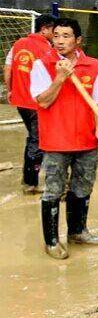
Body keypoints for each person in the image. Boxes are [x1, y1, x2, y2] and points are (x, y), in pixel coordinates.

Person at [30, 18, 98, 260]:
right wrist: (61, 78)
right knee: (53, 190)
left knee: (83, 186)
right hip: (56, 140)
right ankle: (52, 241)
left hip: (86, 139)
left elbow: (97, 101)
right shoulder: (43, 65)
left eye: (66, 36)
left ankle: (78, 231)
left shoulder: (91, 65)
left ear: (78, 40)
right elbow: (42, 100)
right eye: (56, 36)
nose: (60, 41)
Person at [3, 14, 56, 194]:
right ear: (44, 29)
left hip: (20, 101)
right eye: (53, 30)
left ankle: (28, 178)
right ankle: (30, 183)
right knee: (37, 140)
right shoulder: (46, 49)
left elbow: (8, 68)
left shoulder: (18, 44)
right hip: (36, 103)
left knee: (33, 137)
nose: (55, 35)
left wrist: (10, 90)